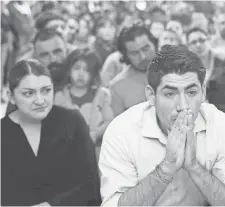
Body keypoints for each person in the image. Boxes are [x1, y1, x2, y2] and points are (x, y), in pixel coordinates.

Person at [99, 45, 225, 206]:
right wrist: (166, 168)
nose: (182, 106)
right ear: (151, 95)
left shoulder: (221, 126)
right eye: (170, 94)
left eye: (191, 93)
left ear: (203, 92)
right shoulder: (122, 131)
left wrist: (195, 168)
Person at [1, 59, 101, 206]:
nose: (40, 100)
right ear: (11, 97)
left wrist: (50, 205)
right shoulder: (3, 133)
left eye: (46, 90)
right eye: (29, 93)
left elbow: (91, 185)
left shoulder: (72, 121)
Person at [54, 48, 114, 154]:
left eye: (87, 70)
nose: (81, 74)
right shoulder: (59, 96)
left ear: (94, 74)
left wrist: (95, 134)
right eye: (77, 68)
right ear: (68, 71)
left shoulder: (101, 94)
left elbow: (109, 121)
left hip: (96, 150)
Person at [109, 22, 158, 116]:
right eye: (134, 53)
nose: (143, 57)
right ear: (126, 56)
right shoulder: (117, 86)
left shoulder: (176, 70)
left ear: (154, 44)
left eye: (146, 49)